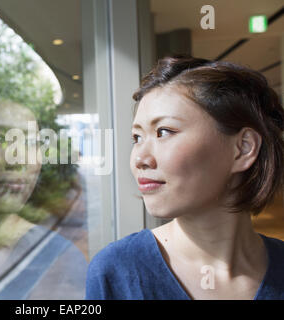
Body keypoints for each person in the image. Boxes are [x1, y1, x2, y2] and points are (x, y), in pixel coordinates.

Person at [85, 54, 284, 300]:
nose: (139, 159)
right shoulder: (116, 272)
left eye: (164, 132)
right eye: (137, 138)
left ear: (242, 148)